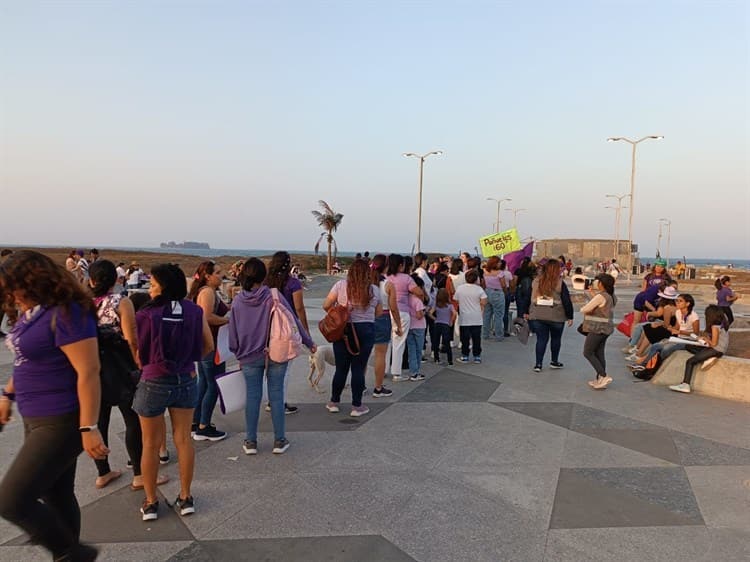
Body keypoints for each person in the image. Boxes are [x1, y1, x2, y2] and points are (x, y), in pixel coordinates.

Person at [0, 250, 106, 561]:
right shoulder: (33, 312)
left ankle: (73, 554)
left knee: (11, 500)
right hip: (35, 416)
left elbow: (89, 370)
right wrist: (7, 395)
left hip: (61, 418)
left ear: (34, 281)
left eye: (13, 286)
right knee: (55, 495)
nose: (10, 294)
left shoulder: (67, 312)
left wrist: (89, 427)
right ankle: (69, 552)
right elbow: (25, 361)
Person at [133, 263, 213, 521]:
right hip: (186, 380)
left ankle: (151, 502)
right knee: (184, 440)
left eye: (153, 283)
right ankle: (186, 496)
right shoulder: (194, 310)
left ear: (163, 286)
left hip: (154, 380)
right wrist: (189, 363)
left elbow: (139, 352)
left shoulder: (146, 313)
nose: (150, 288)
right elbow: (208, 345)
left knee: (150, 444)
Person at [88, 260, 168, 492]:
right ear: (116, 279)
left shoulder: (82, 305)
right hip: (121, 366)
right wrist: (138, 361)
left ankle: (103, 473)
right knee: (132, 420)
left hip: (94, 369)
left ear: (91, 280)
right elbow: (131, 336)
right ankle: (140, 475)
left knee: (99, 421)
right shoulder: (121, 301)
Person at [229, 258, 315, 456]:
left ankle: (250, 441)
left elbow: (233, 335)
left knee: (253, 397)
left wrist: (238, 352)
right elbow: (292, 320)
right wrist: (308, 342)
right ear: (262, 275)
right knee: (276, 396)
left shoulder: (238, 301)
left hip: (249, 355)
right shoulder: (272, 296)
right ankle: (279, 440)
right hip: (276, 351)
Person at [323, 259, 380, 415]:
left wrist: (339, 312)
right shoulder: (374, 289)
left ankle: (334, 401)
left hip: (344, 330)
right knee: (358, 368)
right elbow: (379, 312)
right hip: (366, 329)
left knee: (341, 368)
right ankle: (357, 406)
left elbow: (326, 305)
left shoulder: (340, 286)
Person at [188, 261, 230, 441]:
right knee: (214, 384)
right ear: (208, 275)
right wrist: (228, 320)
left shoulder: (204, 291)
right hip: (211, 344)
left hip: (205, 344)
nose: (221, 275)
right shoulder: (207, 292)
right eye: (218, 273)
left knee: (204, 383)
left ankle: (196, 421)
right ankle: (204, 426)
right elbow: (207, 317)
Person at [264, 251, 311, 414]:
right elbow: (299, 308)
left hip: (267, 327)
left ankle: (271, 400)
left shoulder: (265, 282)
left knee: (270, 367)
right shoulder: (293, 283)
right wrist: (305, 331)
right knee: (285, 368)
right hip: (286, 328)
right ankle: (280, 402)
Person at [669, 305, 730, 394]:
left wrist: (705, 339)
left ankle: (685, 384)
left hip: (716, 350)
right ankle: (708, 358)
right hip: (719, 350)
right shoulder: (722, 324)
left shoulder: (714, 326)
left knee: (690, 361)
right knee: (688, 346)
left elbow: (714, 343)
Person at [527, 259, 574, 372]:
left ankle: (538, 364)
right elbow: (566, 301)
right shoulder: (559, 283)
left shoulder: (536, 281)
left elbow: (528, 296)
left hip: (538, 315)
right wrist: (570, 316)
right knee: (556, 339)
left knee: (541, 339)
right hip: (556, 316)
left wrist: (526, 311)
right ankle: (554, 361)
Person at [386, 254, 423, 381]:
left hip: (386, 312)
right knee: (399, 342)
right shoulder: (406, 278)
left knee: (387, 342)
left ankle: (384, 368)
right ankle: (396, 372)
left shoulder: (385, 277)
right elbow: (419, 292)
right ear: (400, 265)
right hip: (401, 312)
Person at [370, 254, 400, 397]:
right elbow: (393, 307)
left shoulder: (366, 282)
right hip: (383, 318)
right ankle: (378, 387)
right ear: (386, 266)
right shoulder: (388, 285)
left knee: (362, 354)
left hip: (365, 318)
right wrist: (398, 325)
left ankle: (360, 385)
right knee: (380, 355)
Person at [580, 274, 617, 390]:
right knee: (599, 353)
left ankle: (603, 376)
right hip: (606, 329)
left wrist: (587, 308)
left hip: (596, 328)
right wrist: (593, 295)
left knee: (588, 352)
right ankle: (600, 379)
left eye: (597, 282)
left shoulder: (600, 296)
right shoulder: (611, 296)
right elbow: (602, 305)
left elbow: (584, 309)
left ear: (601, 284)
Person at [453, 269, 488, 363]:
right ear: (476, 279)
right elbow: (484, 301)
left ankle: (465, 356)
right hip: (476, 317)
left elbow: (455, 300)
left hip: (464, 317)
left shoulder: (460, 288)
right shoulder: (479, 289)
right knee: (476, 338)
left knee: (465, 338)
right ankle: (477, 356)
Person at [406, 274, 427, 380]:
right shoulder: (417, 301)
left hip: (409, 326)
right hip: (419, 327)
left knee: (411, 349)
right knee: (418, 350)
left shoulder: (406, 298)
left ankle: (412, 371)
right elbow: (419, 315)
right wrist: (425, 311)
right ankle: (416, 372)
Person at [482, 256, 506, 341]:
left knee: (487, 315)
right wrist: (505, 292)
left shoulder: (485, 272)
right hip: (497, 293)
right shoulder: (500, 273)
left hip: (487, 292)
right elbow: (503, 285)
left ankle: (485, 334)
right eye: (499, 262)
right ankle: (498, 335)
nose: (500, 263)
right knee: (498, 315)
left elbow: (483, 284)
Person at [430, 288, 456, 365]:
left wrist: (435, 319)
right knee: (447, 342)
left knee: (436, 342)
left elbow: (430, 313)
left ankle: (436, 358)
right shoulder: (449, 305)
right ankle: (450, 360)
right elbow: (454, 313)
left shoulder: (436, 304)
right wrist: (451, 321)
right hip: (446, 325)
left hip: (437, 324)